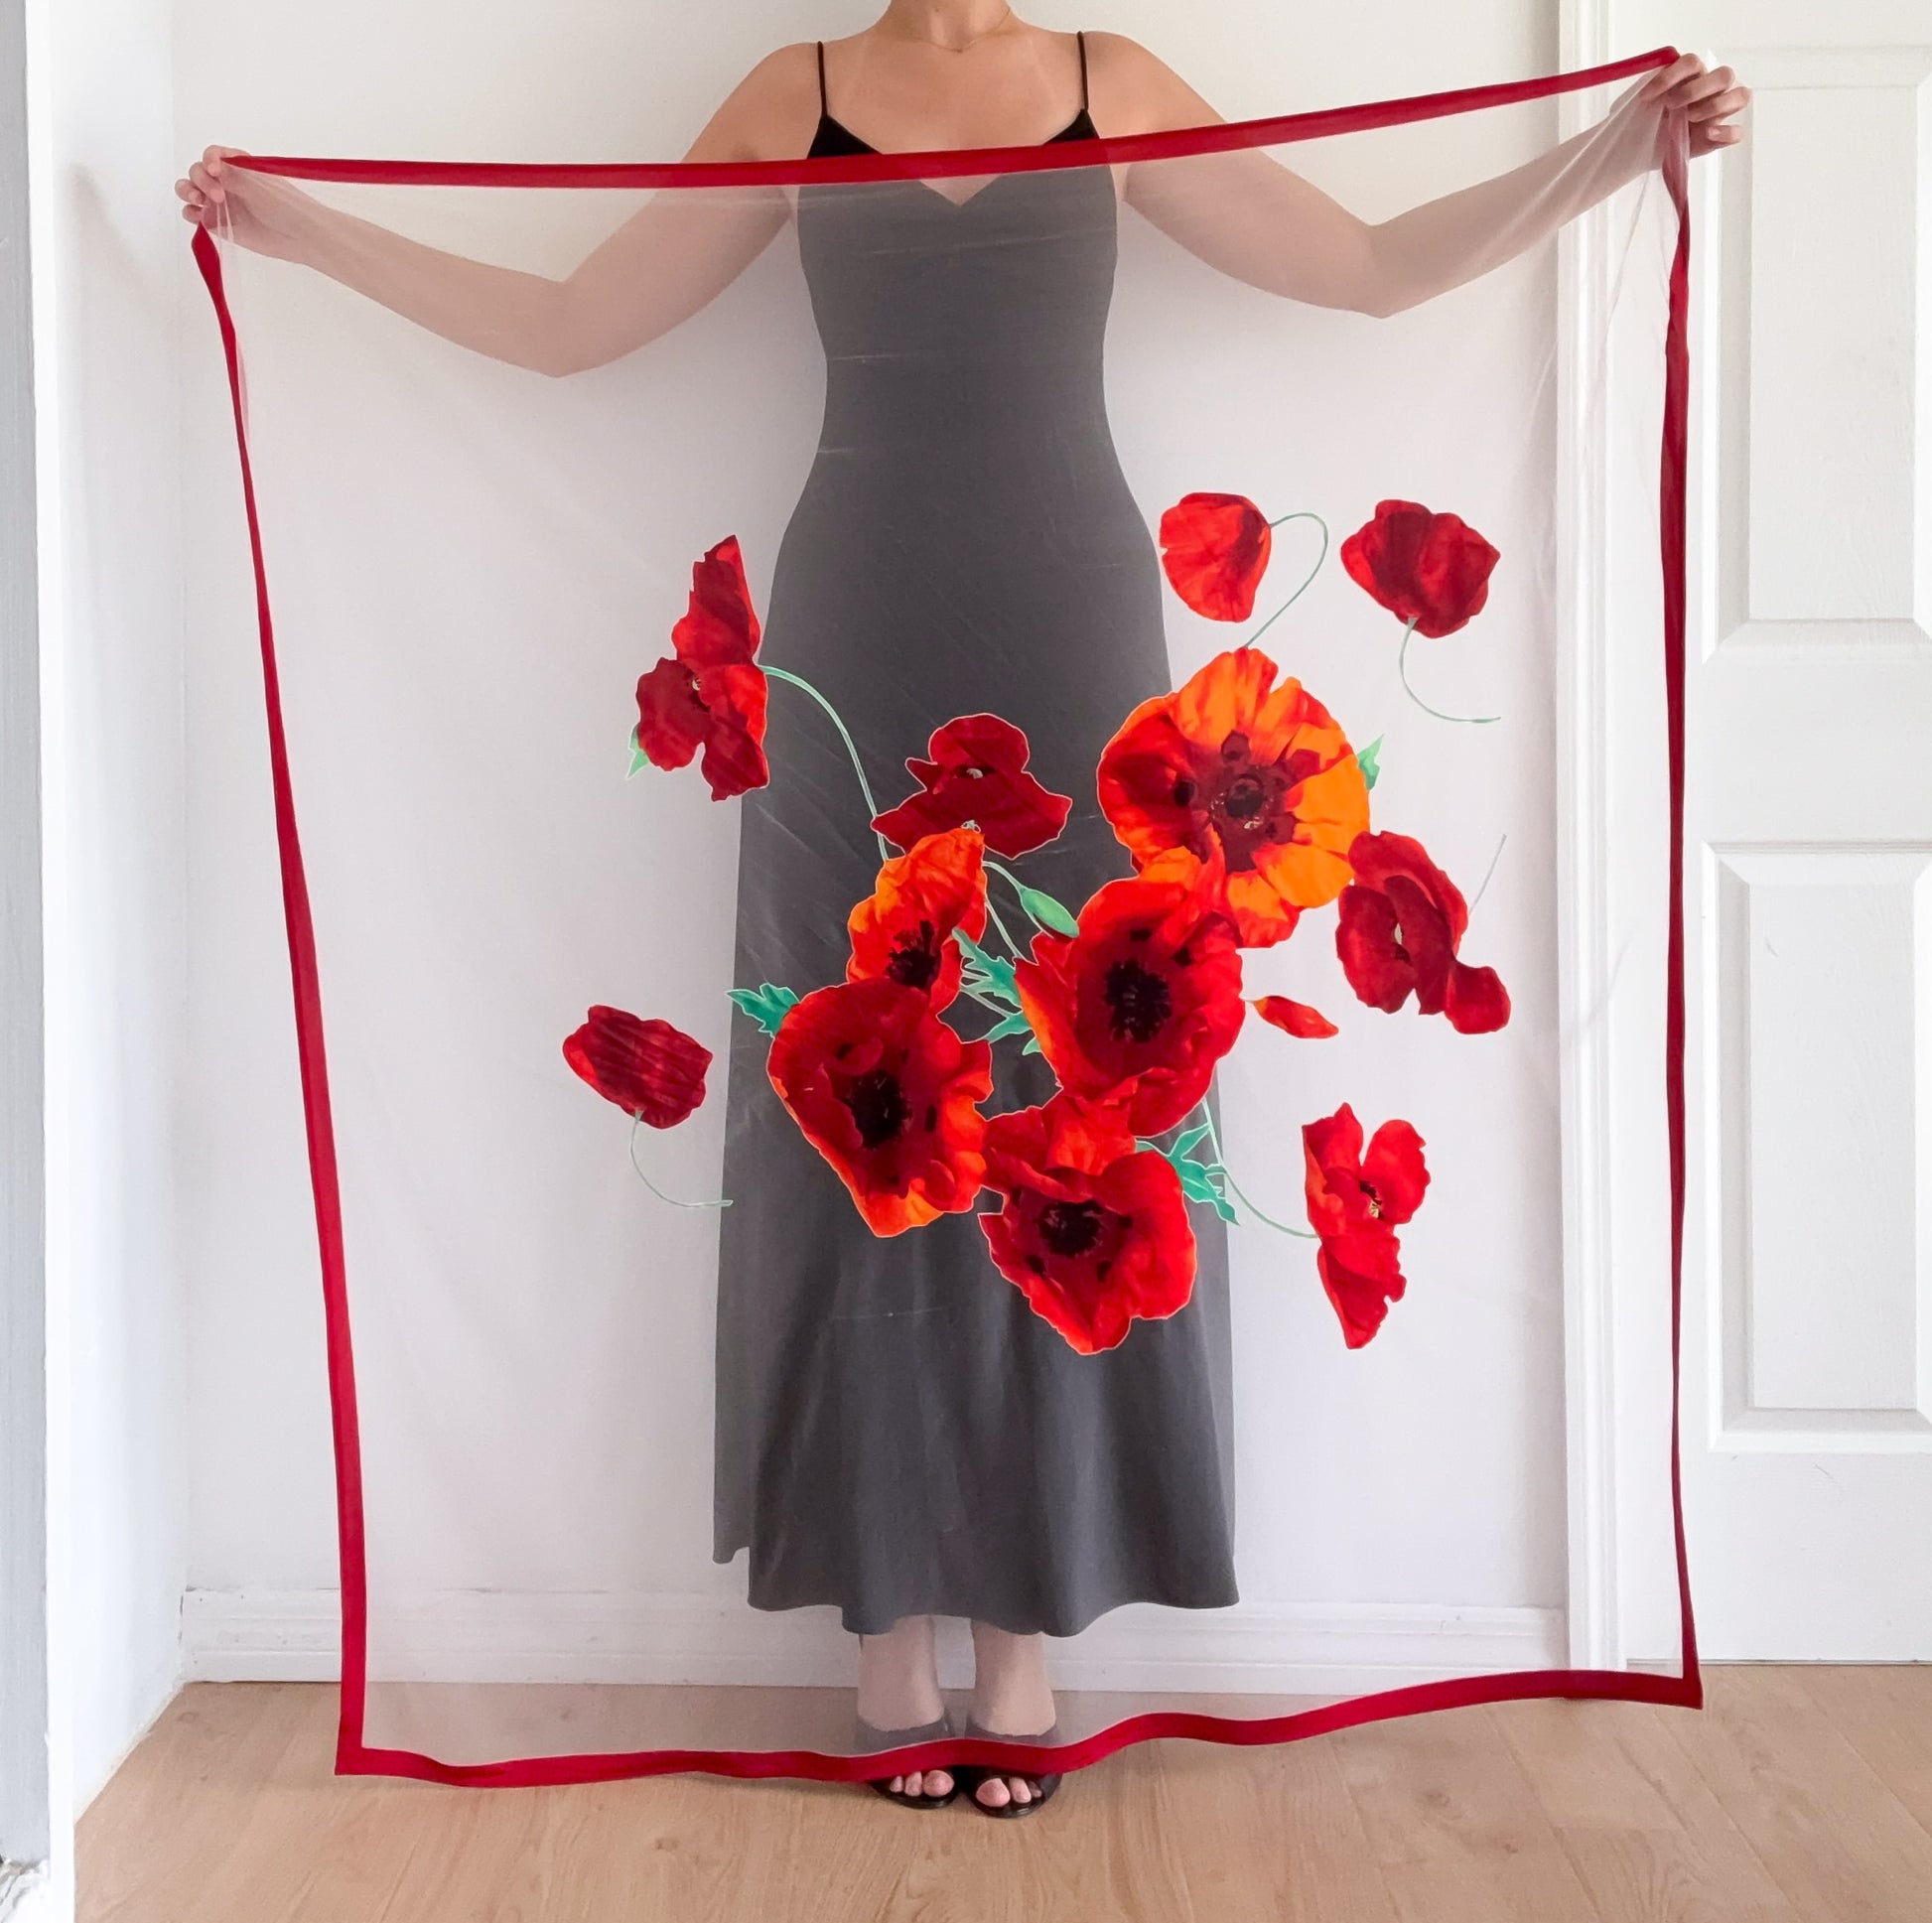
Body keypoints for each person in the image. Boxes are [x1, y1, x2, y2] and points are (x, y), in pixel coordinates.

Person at [177, 5, 1747, 1819]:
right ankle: (880, 1627)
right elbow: (567, 323)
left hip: (1075, 638)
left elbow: (1372, 268)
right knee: (861, 1110)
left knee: (1071, 1111)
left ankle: (1023, 1628)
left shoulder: (1106, 79)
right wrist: (304, 227)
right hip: (852, 640)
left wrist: (1613, 151)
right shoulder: (796, 94)